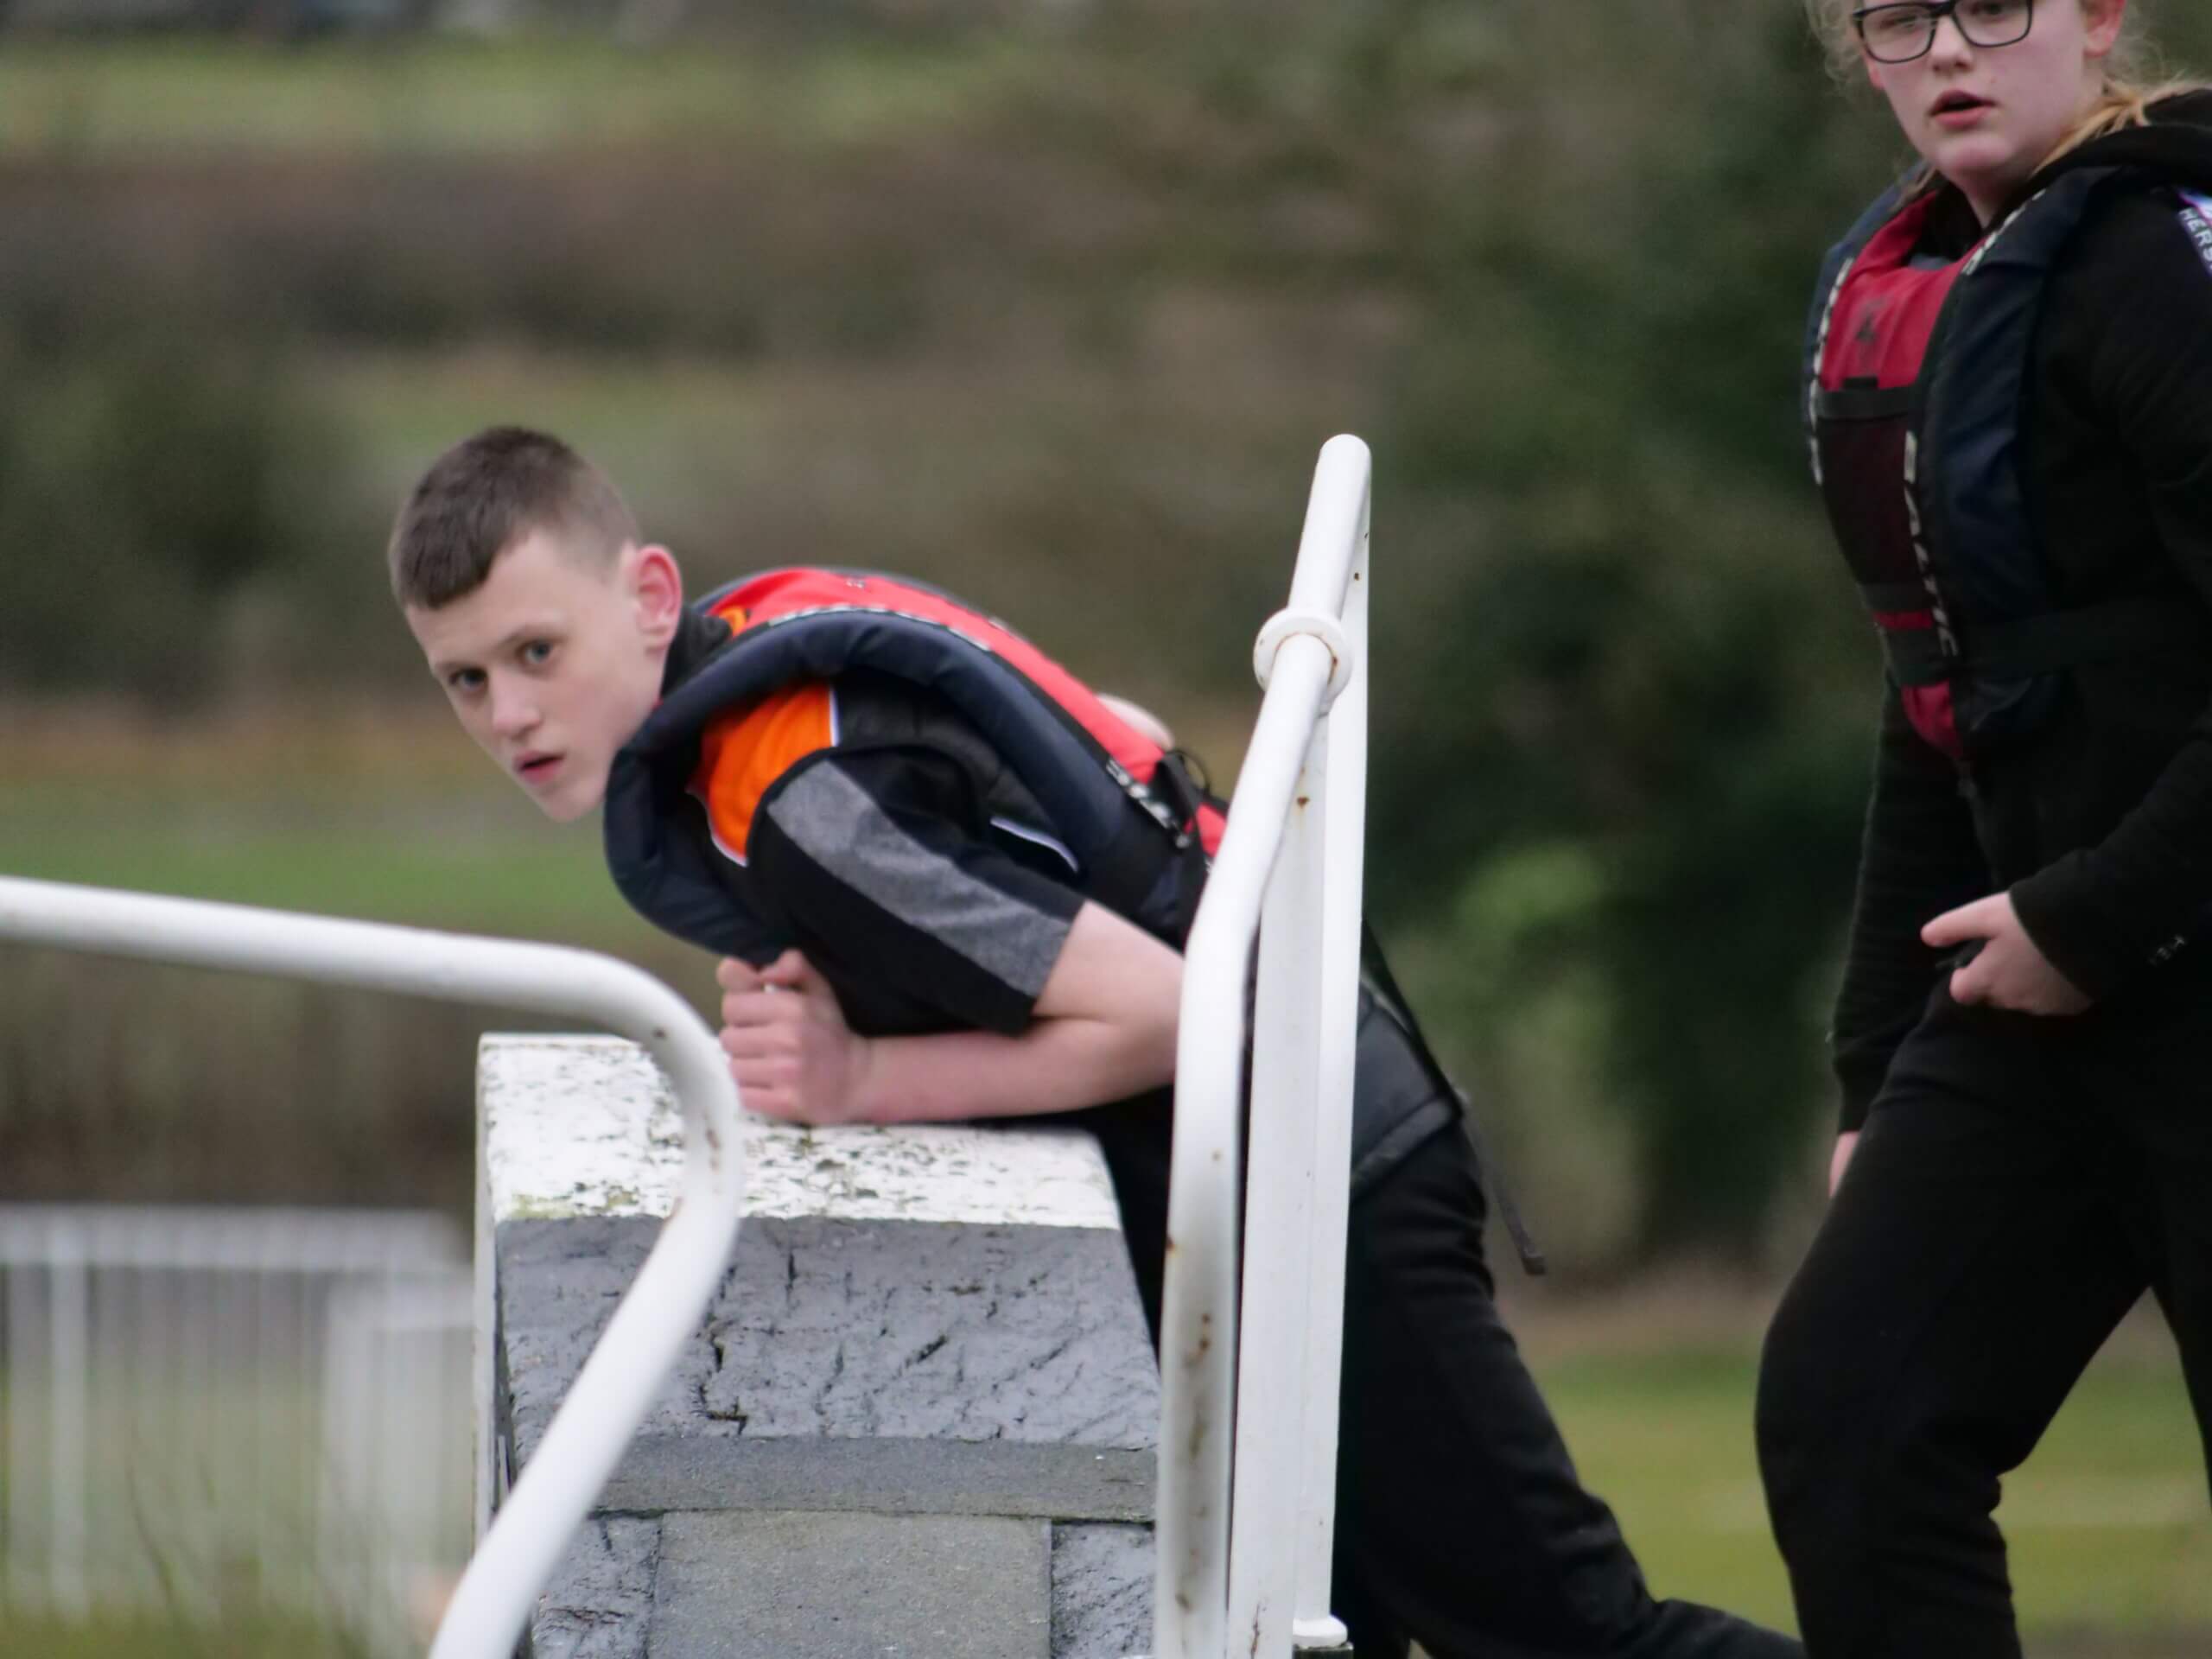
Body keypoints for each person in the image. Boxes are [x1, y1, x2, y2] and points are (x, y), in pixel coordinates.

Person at [391, 426, 1800, 1658]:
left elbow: (1184, 1011)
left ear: (649, 595)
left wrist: (864, 1078)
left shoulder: (800, 796)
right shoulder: (769, 654)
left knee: (1575, 1637)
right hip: (1283, 1175)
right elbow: (1124, 731)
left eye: (535, 653)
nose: (509, 715)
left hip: (1328, 1187)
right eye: (463, 680)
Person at [1758, 3, 2212, 1653]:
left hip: (2139, 936)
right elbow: (1944, 691)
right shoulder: (1944, 284)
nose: (1950, 49)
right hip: (2035, 983)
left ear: (2099, 22)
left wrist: (2095, 918)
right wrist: (1877, 1067)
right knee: (1853, 1423)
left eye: (1996, 5)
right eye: (1900, 17)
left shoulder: (2161, 263)